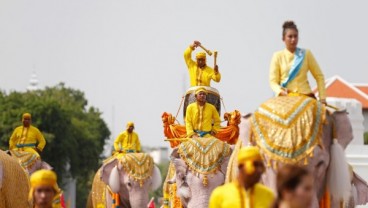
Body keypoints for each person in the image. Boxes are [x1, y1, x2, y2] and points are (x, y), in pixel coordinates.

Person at [269, 20, 327, 104]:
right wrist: (280, 92)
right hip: (285, 97)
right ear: (283, 38)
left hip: (306, 97)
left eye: (295, 36)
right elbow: (273, 82)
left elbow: (319, 76)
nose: (293, 39)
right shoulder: (277, 56)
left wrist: (322, 98)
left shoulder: (306, 54)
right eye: (290, 36)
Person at [209, 146, 275, 208]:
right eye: (255, 165)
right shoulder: (219, 195)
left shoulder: (268, 195)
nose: (260, 170)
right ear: (241, 166)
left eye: (261, 166)